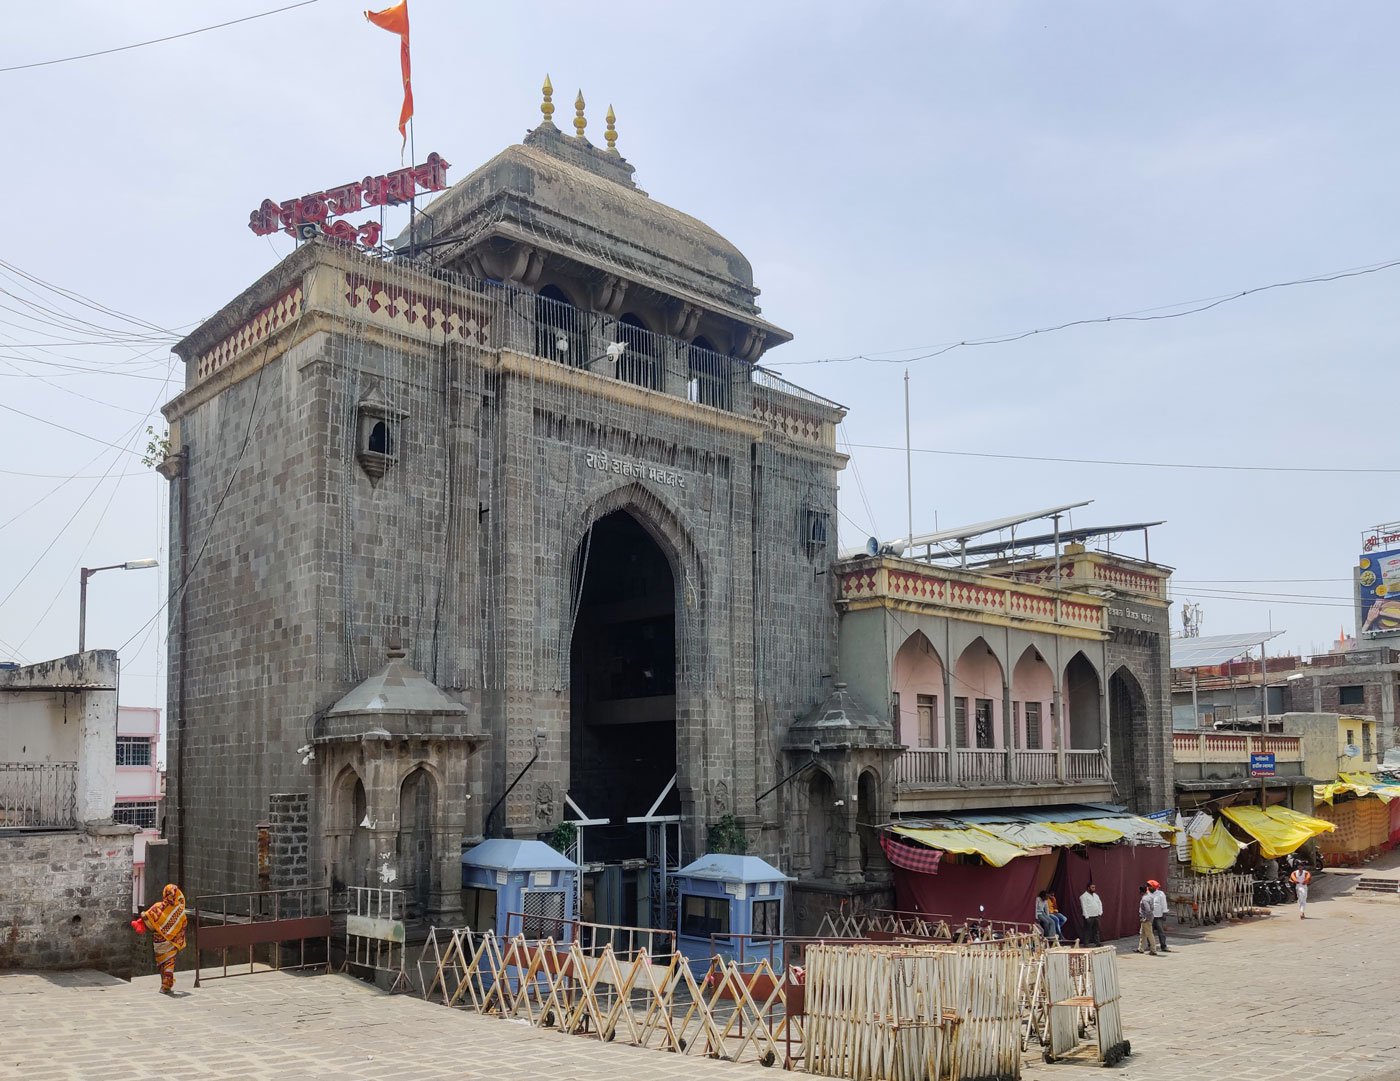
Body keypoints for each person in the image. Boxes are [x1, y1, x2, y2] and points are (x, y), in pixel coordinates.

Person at [139, 883, 188, 994]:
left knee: (161, 963)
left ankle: (164, 984)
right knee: (169, 963)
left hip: (159, 941)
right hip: (172, 942)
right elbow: (183, 925)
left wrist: (143, 915)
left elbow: (147, 919)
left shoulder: (157, 907)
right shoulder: (180, 911)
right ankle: (166, 985)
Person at [1148, 879, 1170, 952]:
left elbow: (1164, 904)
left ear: (1154, 887)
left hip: (1158, 916)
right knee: (1149, 932)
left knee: (1161, 932)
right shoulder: (1147, 893)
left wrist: (1164, 913)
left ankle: (1163, 946)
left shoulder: (1161, 894)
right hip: (1150, 916)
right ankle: (1150, 946)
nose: (1149, 888)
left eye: (1150, 886)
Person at [1135, 884, 1158, 955]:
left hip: (1146, 918)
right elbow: (1152, 908)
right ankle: (1141, 948)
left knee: (1149, 934)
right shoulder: (1150, 897)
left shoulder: (1144, 899)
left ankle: (1153, 950)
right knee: (1142, 934)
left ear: (1141, 892)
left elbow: (1148, 910)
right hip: (1148, 918)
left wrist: (1146, 919)